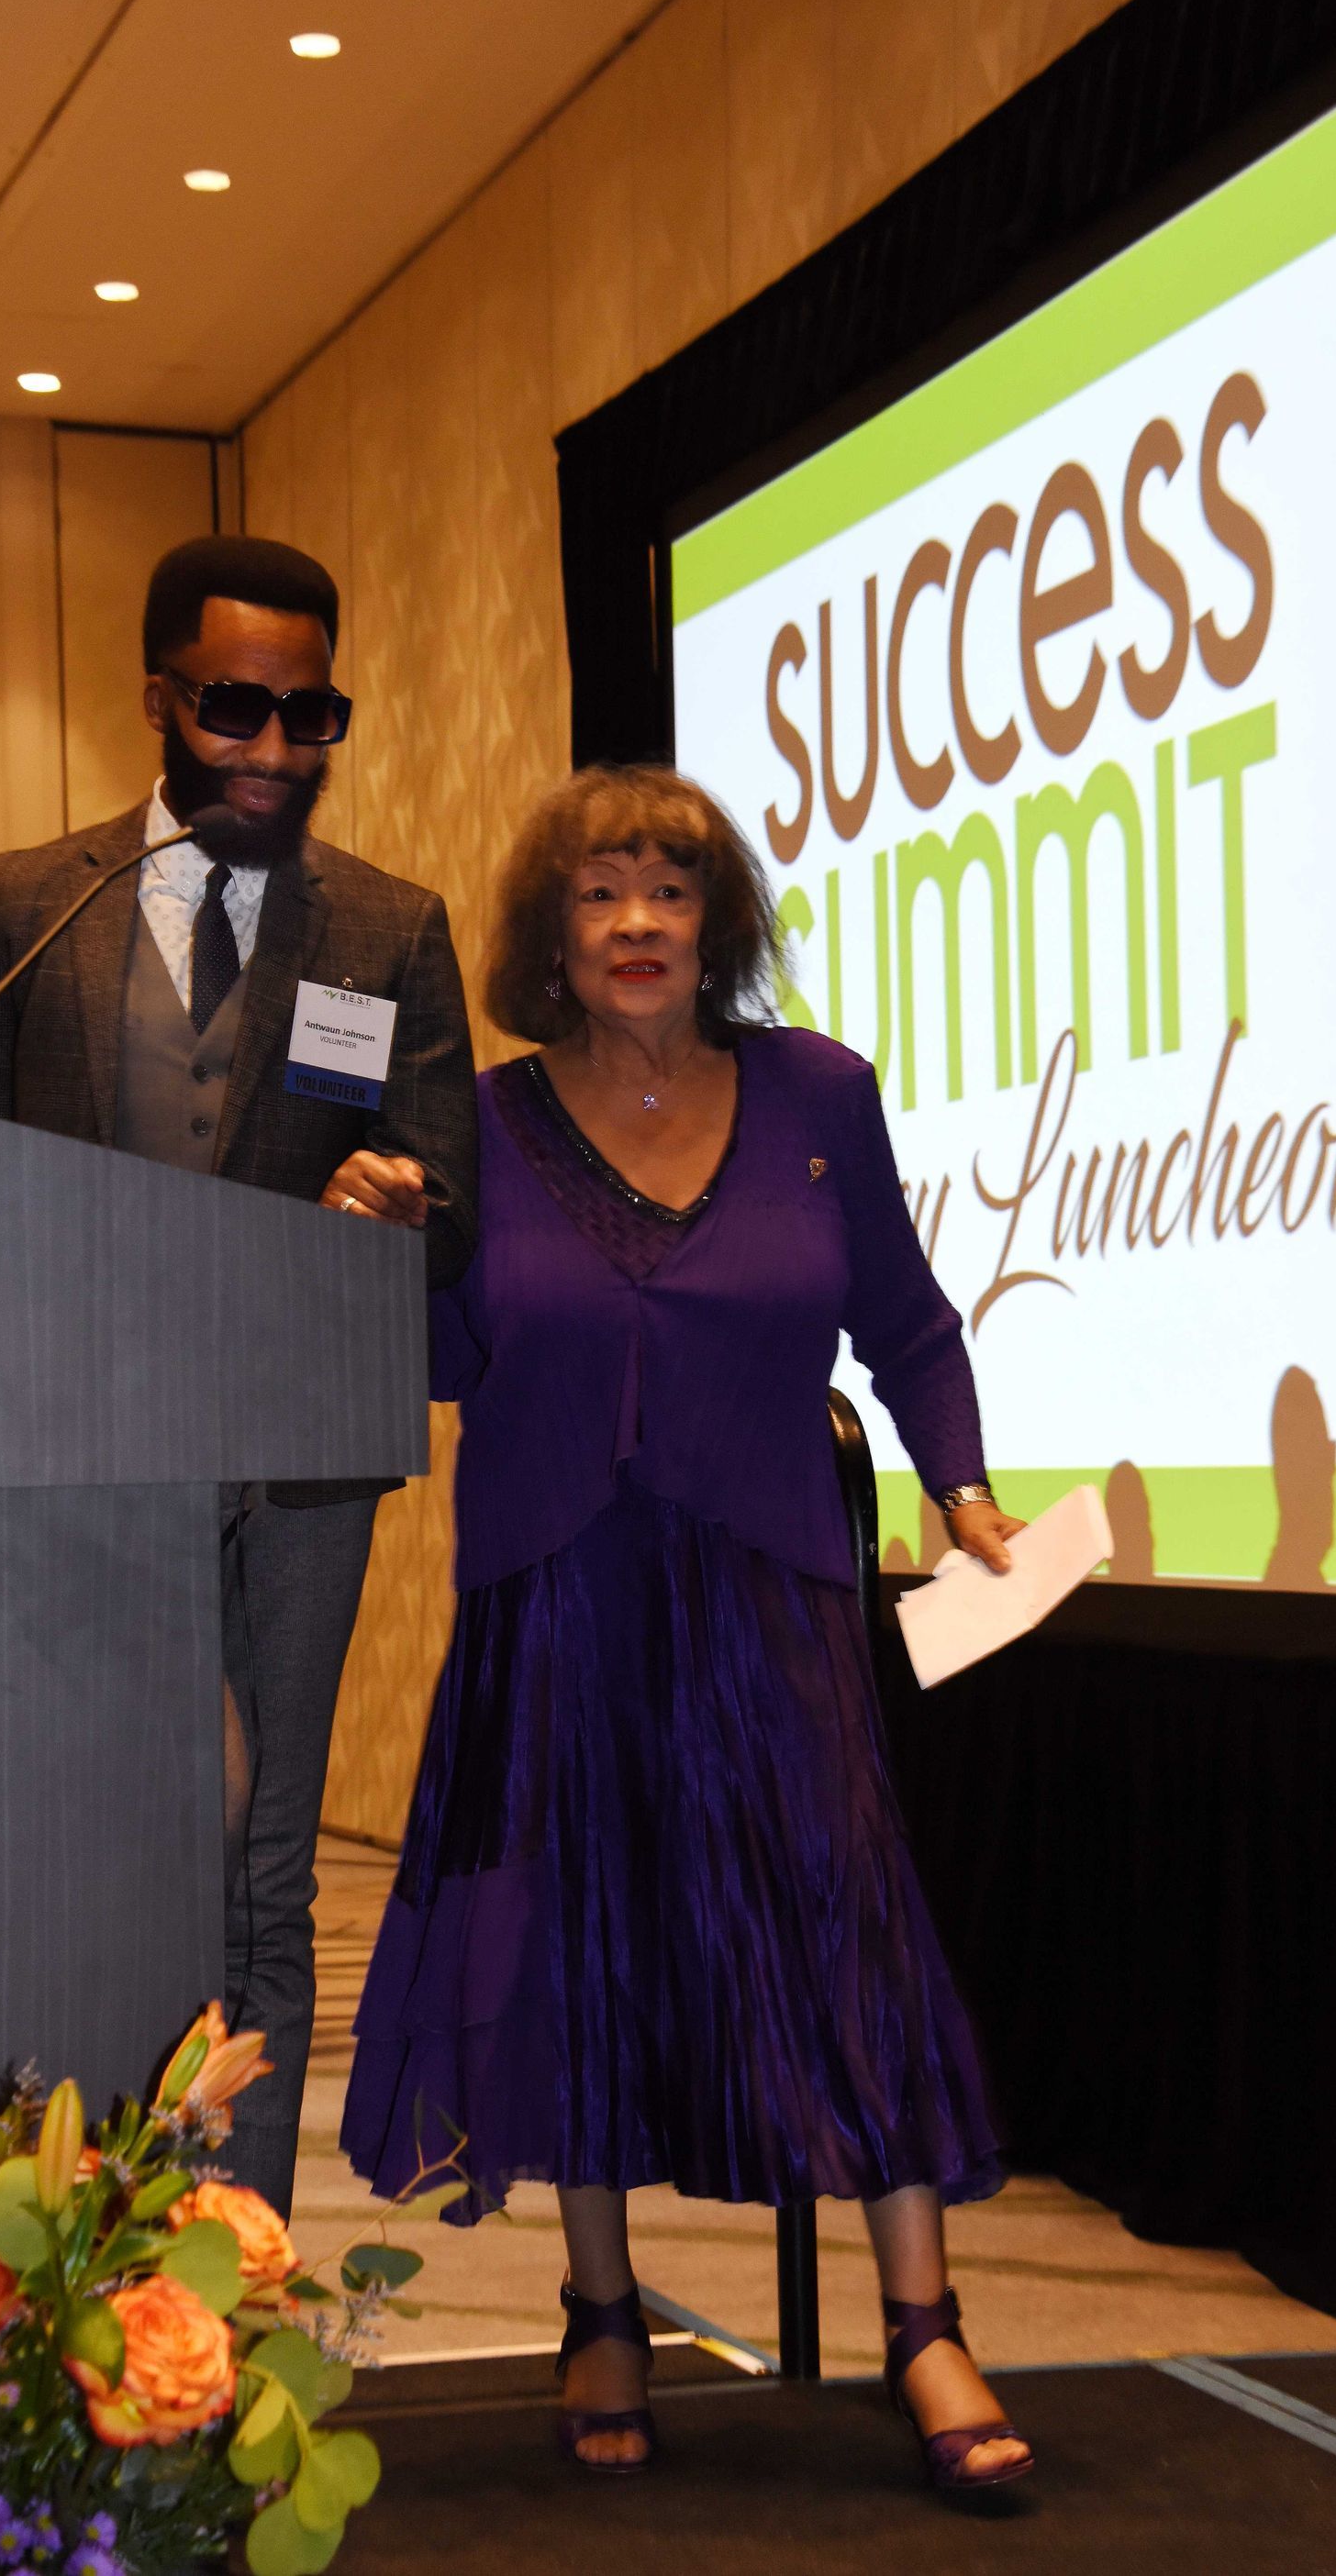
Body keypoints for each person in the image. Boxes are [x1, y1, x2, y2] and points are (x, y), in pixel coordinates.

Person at [341, 765, 1033, 2501]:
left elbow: (911, 1321)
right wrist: (375, 1256)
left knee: (846, 1933)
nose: (638, 921)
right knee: (573, 1940)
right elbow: (442, 1367)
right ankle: (599, 2306)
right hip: (555, 1590)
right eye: (600, 893)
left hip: (771, 1591)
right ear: (550, 937)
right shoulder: (478, 1127)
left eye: (670, 889)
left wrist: (964, 1497)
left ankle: (926, 2321)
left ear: (716, 923)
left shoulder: (821, 1095)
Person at [0, 534, 477, 2215]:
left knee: (266, 1881)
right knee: (95, 1860)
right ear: (162, 696)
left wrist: (401, 1200)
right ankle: (74, 2265)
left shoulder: (388, 929)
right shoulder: (37, 904)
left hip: (297, 1463)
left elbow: (445, 1196)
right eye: (238, 705)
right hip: (81, 1464)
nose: (273, 747)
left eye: (311, 713)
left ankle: (238, 2284)